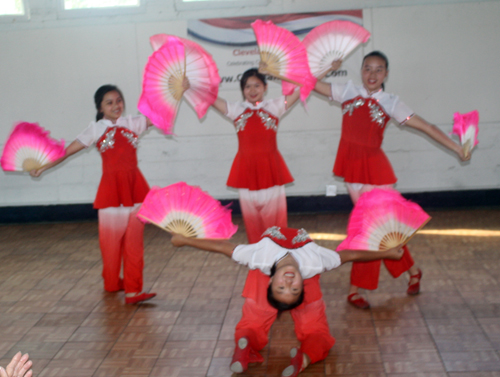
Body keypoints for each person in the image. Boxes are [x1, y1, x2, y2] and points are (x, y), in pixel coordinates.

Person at [314, 51, 470, 309]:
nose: (372, 74)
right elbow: (307, 83)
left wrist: (456, 148)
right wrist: (328, 68)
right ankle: (413, 272)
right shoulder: (347, 91)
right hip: (352, 171)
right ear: (361, 71)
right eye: (367, 68)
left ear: (386, 74)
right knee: (385, 231)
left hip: (376, 174)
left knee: (370, 231)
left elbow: (427, 127)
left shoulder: (391, 102)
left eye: (378, 69)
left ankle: (357, 289)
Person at [171, 226, 403, 376]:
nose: (289, 283)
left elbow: (223, 247)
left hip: (264, 277)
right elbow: (351, 255)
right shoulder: (314, 265)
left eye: (284, 287)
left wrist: (185, 240)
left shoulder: (259, 258)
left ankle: (246, 343)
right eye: (293, 288)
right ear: (302, 286)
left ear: (271, 282)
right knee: (316, 330)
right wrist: (387, 253)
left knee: (253, 321)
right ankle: (303, 358)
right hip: (299, 275)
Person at [30, 85, 156, 305]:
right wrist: (43, 166)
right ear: (100, 108)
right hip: (110, 192)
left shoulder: (133, 122)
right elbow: (67, 151)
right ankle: (112, 282)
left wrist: (176, 93)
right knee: (110, 242)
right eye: (109, 102)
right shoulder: (95, 129)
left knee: (133, 243)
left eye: (119, 100)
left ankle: (133, 291)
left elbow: (161, 114)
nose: (116, 106)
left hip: (135, 189)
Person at [209, 67, 302, 243]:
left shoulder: (274, 107)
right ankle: (258, 256)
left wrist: (277, 74)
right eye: (247, 86)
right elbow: (209, 98)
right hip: (246, 171)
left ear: (265, 87)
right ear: (242, 90)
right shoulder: (237, 110)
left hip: (271, 170)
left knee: (276, 221)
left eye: (257, 86)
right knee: (252, 221)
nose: (252, 91)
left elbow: (302, 88)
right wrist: (189, 86)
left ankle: (278, 255)